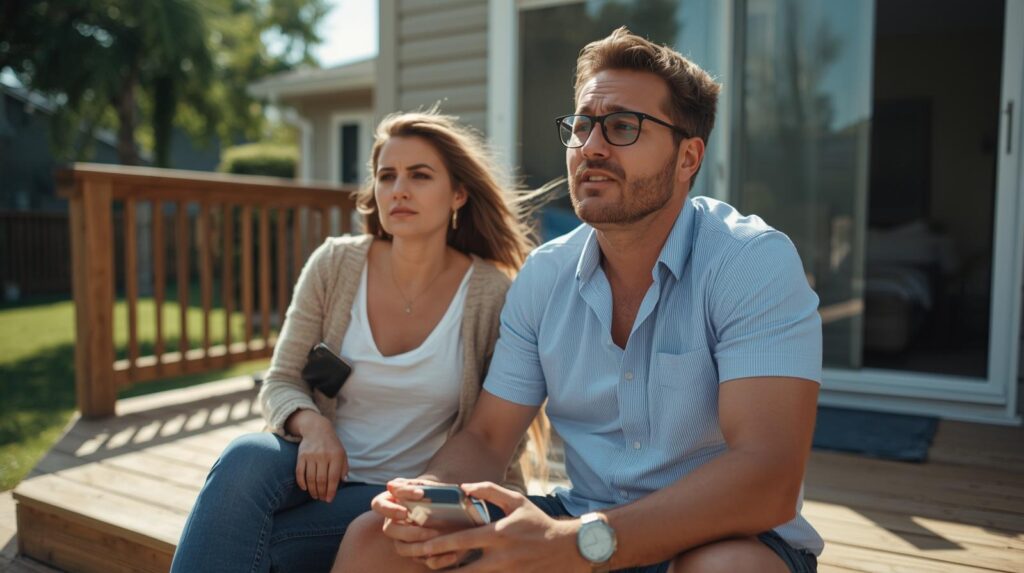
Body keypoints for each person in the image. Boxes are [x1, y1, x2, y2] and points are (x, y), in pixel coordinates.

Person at [335, 27, 823, 573]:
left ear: (688, 158)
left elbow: (768, 480)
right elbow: (489, 435)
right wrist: (427, 493)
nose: (590, 146)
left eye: (621, 127)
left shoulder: (749, 262)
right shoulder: (546, 275)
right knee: (377, 539)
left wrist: (574, 545)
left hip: (721, 536)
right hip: (578, 517)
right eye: (582, 126)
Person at [170, 110, 547, 573]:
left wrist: (441, 499)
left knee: (257, 544)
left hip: (416, 495)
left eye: (419, 175)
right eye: (386, 176)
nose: (398, 189)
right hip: (319, 474)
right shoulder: (334, 265)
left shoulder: (490, 294)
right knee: (246, 457)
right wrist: (314, 427)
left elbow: (500, 434)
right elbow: (282, 380)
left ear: (459, 194)